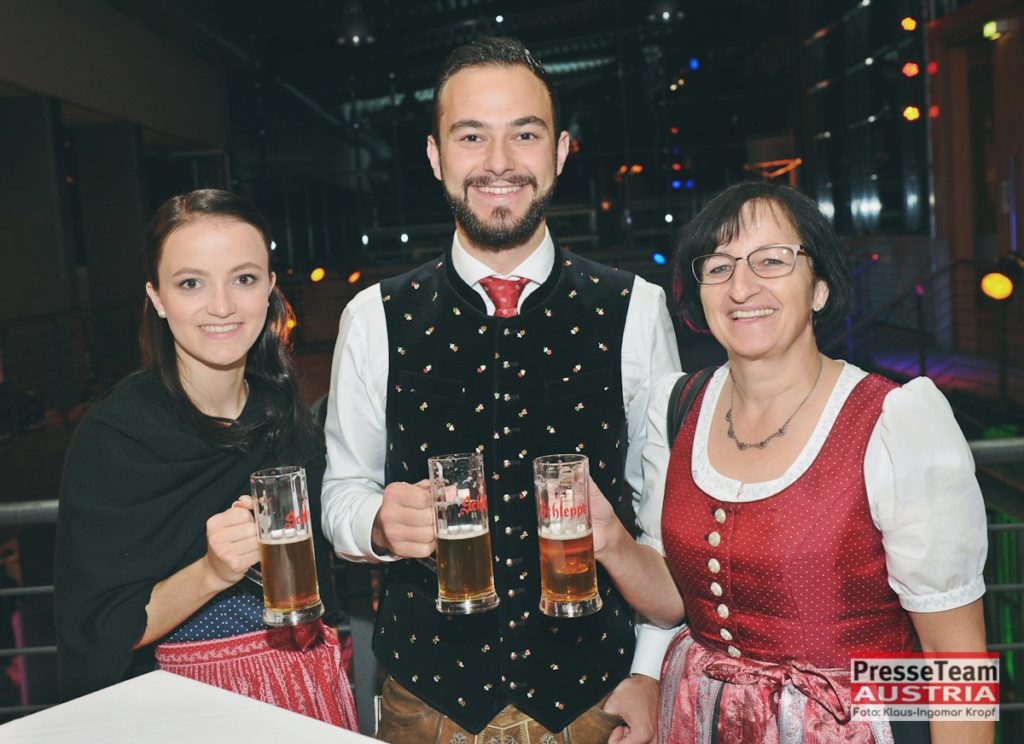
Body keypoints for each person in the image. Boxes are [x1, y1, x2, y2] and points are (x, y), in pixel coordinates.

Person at [322, 36, 680, 744]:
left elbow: (665, 523)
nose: (498, 163)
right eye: (471, 136)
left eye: (525, 134)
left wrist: (648, 668)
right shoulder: (372, 317)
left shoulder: (636, 308)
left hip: (596, 699)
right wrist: (377, 525)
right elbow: (341, 494)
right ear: (435, 156)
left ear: (562, 151)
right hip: (425, 704)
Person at [590, 181, 992, 743]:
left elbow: (955, 658)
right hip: (698, 719)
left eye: (771, 261)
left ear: (819, 287)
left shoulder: (895, 420)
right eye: (719, 267)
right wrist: (610, 541)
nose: (742, 287)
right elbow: (675, 598)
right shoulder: (678, 406)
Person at [55, 189, 358, 729]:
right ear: (157, 297)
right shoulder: (116, 435)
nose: (222, 306)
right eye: (191, 283)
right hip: (182, 711)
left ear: (269, 288)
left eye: (243, 279)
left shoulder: (286, 415)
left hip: (306, 692)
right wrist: (213, 571)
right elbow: (98, 631)